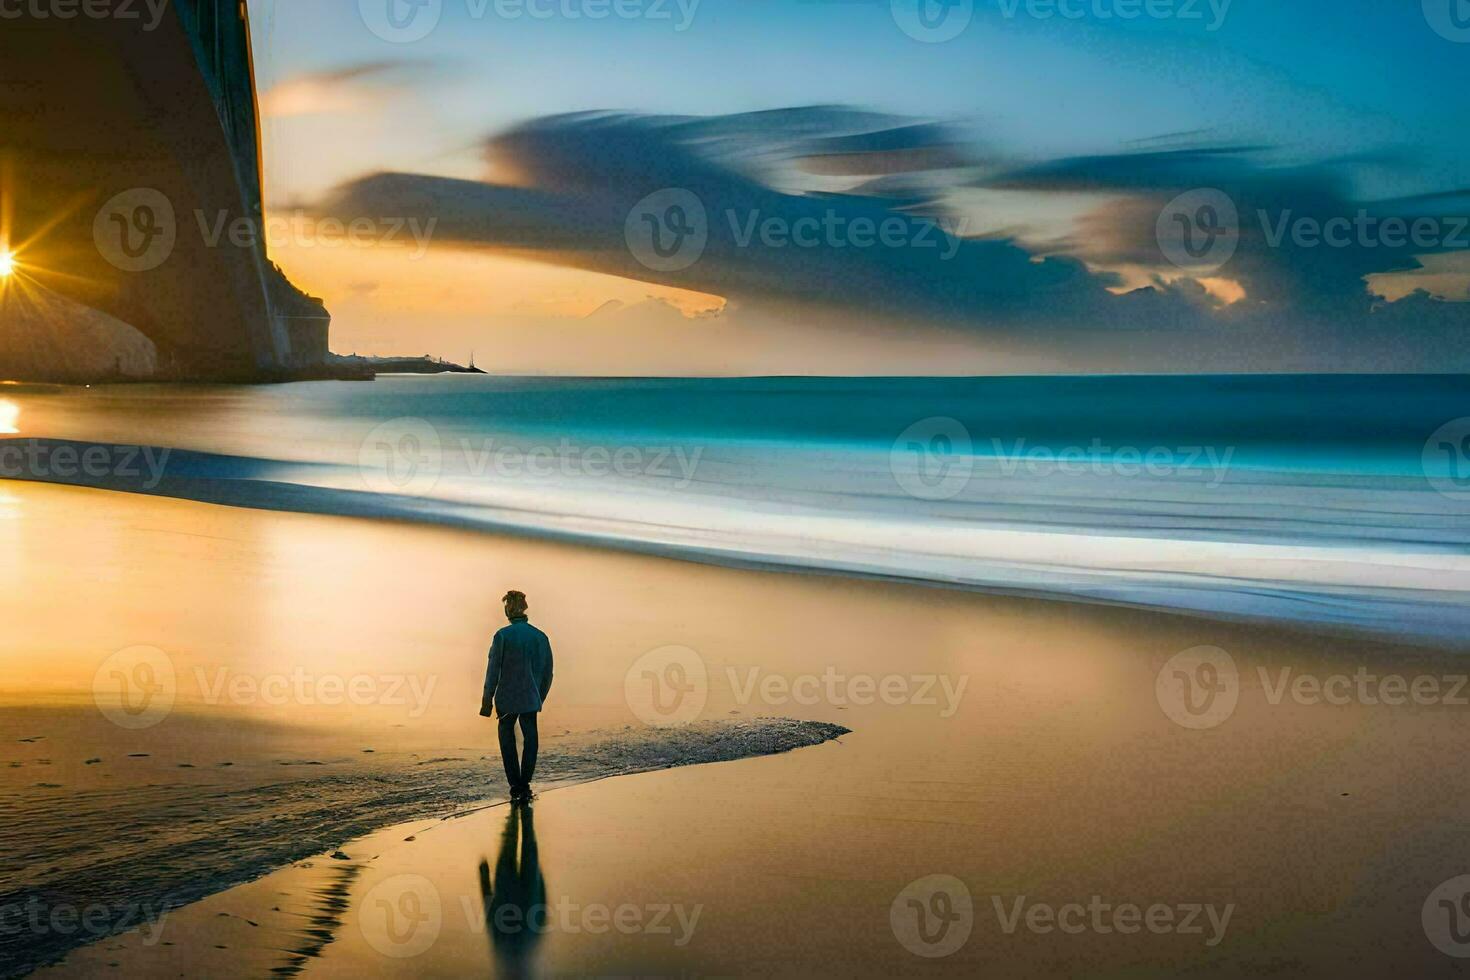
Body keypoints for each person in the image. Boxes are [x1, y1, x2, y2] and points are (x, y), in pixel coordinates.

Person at [480, 590, 554, 802]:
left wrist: (487, 700)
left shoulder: (502, 635)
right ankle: (525, 783)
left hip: (506, 697)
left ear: (508, 609)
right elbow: (548, 672)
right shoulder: (540, 636)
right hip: (531, 697)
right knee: (531, 739)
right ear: (524, 608)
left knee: (507, 738)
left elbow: (492, 670)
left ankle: (515, 786)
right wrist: (539, 696)